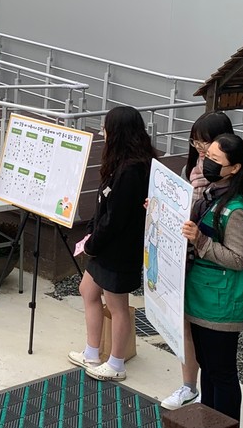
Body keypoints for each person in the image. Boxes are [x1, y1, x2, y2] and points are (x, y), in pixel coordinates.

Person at [68, 106, 156, 381]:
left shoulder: (132, 170)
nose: (102, 132)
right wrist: (92, 234)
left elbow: (116, 218)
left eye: (105, 127)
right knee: (87, 290)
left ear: (117, 132)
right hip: (105, 244)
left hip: (119, 248)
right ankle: (92, 351)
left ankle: (116, 363)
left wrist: (92, 243)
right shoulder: (123, 162)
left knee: (118, 306)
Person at [181, 133, 243, 422]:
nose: (207, 162)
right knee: (208, 366)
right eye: (207, 156)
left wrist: (200, 241)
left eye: (216, 160)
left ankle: (225, 422)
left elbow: (240, 259)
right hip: (203, 297)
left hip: (221, 304)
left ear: (235, 168)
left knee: (222, 373)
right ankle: (209, 420)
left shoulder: (236, 209)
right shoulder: (211, 193)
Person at [161, 110, 234, 410]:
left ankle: (207, 394)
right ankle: (191, 386)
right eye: (196, 142)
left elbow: (239, 255)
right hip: (188, 262)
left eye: (207, 143)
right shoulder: (192, 172)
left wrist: (199, 237)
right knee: (188, 330)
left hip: (211, 274)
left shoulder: (231, 189)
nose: (202, 150)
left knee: (214, 351)